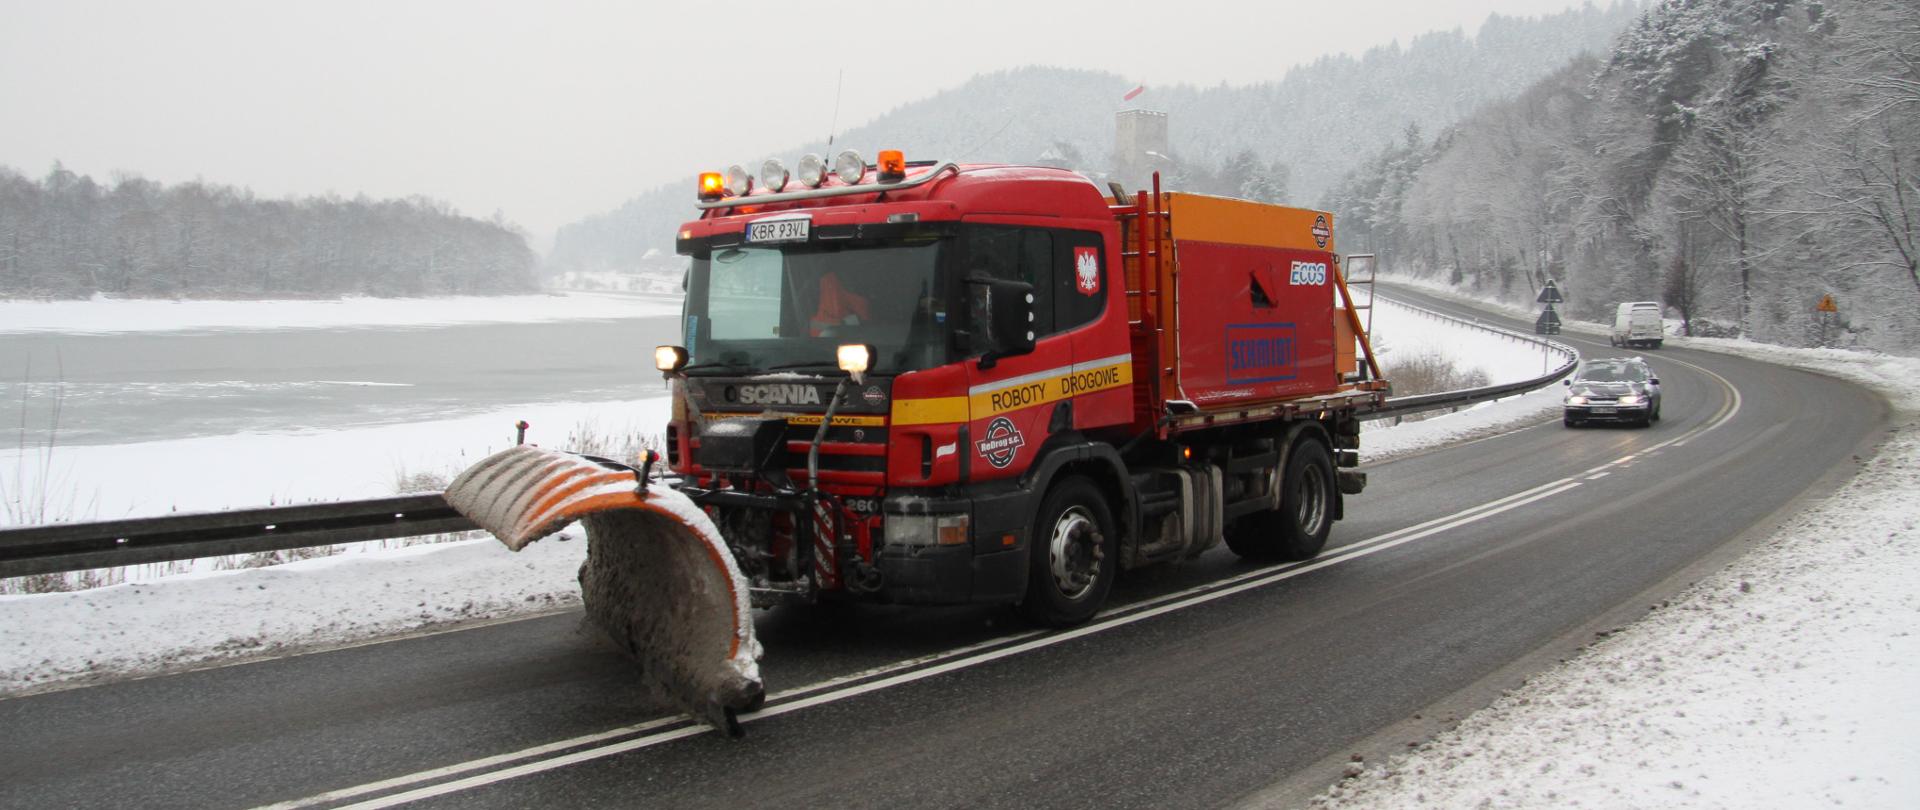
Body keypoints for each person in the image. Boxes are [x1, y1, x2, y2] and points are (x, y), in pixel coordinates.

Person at [809, 272, 870, 337]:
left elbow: (867, 326)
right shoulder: (828, 284)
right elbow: (816, 327)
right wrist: (843, 323)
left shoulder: (860, 303)